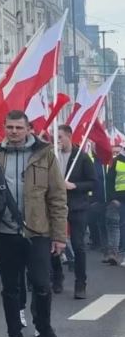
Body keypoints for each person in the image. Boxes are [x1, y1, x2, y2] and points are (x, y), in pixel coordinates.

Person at [0, 110, 66, 337]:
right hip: (5, 232)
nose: (14, 132)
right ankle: (15, 334)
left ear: (28, 129)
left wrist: (59, 235)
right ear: (4, 128)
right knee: (11, 289)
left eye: (19, 128)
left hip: (37, 231)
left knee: (42, 284)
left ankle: (43, 327)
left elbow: (57, 196)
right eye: (10, 127)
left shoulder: (45, 155)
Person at [53, 125, 96, 298]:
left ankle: (80, 283)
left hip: (77, 206)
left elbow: (93, 182)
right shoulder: (51, 157)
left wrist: (75, 186)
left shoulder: (82, 157)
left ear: (69, 136)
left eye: (60, 137)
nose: (58, 141)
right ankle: (57, 277)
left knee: (78, 245)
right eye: (55, 138)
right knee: (54, 243)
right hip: (56, 206)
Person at [105, 146, 125, 266]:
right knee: (123, 227)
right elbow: (109, 180)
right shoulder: (117, 160)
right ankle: (123, 254)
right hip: (121, 200)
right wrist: (113, 198)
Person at [88, 146, 109, 252]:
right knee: (92, 221)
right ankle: (97, 242)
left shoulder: (106, 162)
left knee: (104, 222)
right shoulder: (90, 160)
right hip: (92, 198)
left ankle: (105, 245)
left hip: (105, 197)